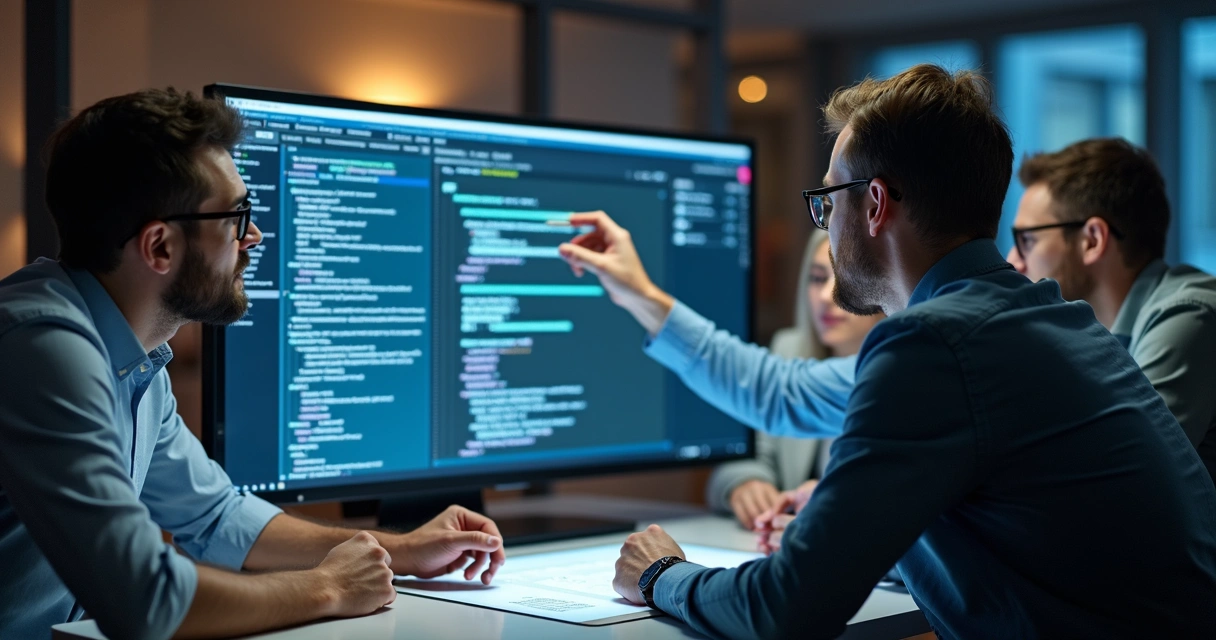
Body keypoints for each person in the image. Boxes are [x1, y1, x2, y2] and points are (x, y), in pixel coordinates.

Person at [558, 65, 1216, 638]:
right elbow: (779, 390)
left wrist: (662, 576)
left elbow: (787, 610)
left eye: (826, 200)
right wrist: (641, 293)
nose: (826, 225)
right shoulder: (1043, 321)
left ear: (874, 203)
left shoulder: (932, 345)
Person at [0, 88, 506, 640]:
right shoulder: (43, 348)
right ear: (160, 247)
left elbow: (216, 517)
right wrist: (328, 587)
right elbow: (144, 597)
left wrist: (405, 551)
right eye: (236, 217)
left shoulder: (135, 358)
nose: (254, 237)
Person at [1007, 138, 1216, 483]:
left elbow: (1116, 476)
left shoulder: (1188, 316)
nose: (1012, 261)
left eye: (1026, 240)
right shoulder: (1100, 339)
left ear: (1092, 239)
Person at [707, 230, 881, 528]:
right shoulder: (790, 350)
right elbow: (746, 453)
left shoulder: (906, 369)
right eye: (817, 278)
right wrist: (746, 483)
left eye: (845, 278)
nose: (827, 296)